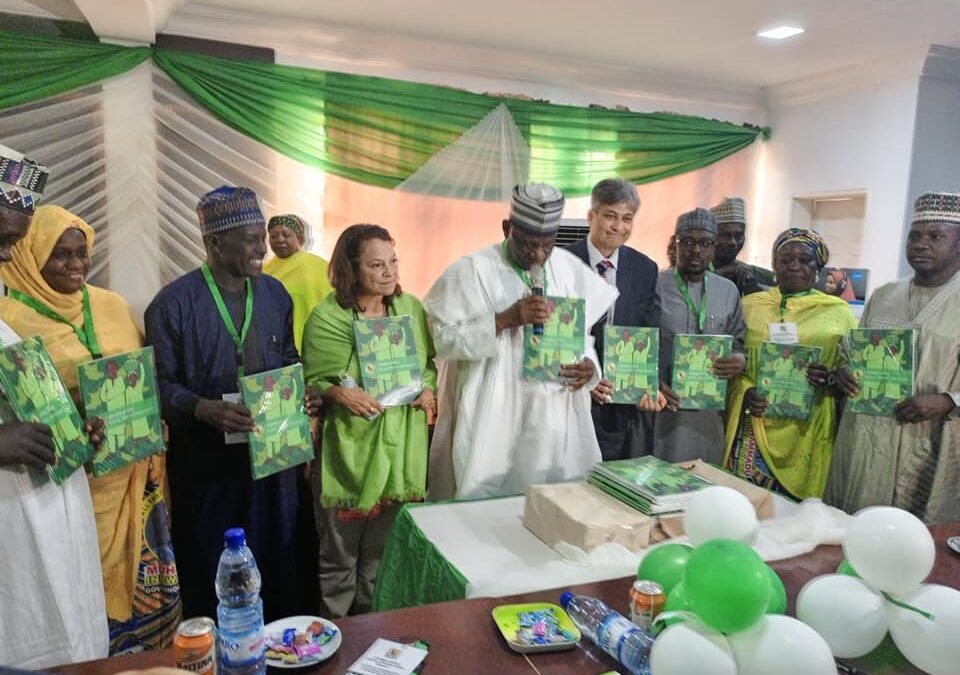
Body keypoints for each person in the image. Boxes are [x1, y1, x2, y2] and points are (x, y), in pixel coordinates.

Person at [0, 205, 181, 653]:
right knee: (71, 595)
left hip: (130, 476)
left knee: (132, 593)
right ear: (30, 255)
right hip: (58, 487)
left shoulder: (111, 305)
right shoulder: (11, 319)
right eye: (61, 254)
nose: (77, 264)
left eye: (83, 253)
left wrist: (143, 415)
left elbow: (140, 373)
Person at [145, 186, 304, 621]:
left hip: (273, 464)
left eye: (263, 237)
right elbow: (158, 384)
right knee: (213, 569)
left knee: (277, 560)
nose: (263, 248)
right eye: (251, 239)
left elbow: (289, 357)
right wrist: (202, 408)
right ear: (214, 243)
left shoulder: (275, 295)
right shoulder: (172, 305)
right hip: (207, 470)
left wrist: (296, 390)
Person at [424, 183, 618, 500]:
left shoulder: (568, 269)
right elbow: (441, 340)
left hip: (553, 414)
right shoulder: (470, 270)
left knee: (554, 504)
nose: (537, 254)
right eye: (527, 244)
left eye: (547, 245)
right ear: (506, 228)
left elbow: (582, 338)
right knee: (485, 501)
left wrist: (588, 367)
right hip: (494, 412)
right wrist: (505, 319)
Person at [0, 147, 110, 669]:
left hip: (49, 511)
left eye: (14, 242)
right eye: (2, 239)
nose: (6, 256)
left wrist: (69, 432)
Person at [302, 223, 437, 618]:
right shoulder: (328, 317)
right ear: (351, 270)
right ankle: (335, 641)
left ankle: (371, 637)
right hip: (351, 451)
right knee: (340, 558)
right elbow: (315, 381)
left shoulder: (409, 307)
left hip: (400, 450)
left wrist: (428, 388)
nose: (389, 272)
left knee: (380, 558)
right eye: (376, 265)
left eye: (393, 262)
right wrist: (338, 392)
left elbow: (426, 365)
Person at [825, 191, 960, 524]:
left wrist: (948, 400)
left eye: (935, 236)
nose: (921, 244)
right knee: (855, 527)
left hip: (932, 439)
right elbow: (850, 353)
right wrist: (843, 372)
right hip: (869, 438)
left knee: (915, 540)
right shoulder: (885, 295)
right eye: (914, 236)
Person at [724, 228, 857, 499]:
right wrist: (745, 391)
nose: (794, 266)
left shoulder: (838, 312)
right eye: (786, 259)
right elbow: (734, 360)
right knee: (746, 508)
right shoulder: (750, 305)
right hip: (755, 425)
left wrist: (831, 377)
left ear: (818, 268)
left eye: (805, 260)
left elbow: (852, 370)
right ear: (774, 264)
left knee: (797, 519)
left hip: (810, 428)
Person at [566, 178, 661, 460]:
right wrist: (588, 378)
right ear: (591, 216)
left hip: (619, 404)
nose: (618, 227)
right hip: (570, 396)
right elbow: (553, 331)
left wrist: (646, 385)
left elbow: (648, 329)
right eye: (610, 216)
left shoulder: (645, 268)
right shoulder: (562, 261)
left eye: (627, 219)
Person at [654, 208, 746, 464]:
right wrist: (652, 382)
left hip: (707, 413)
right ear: (675, 243)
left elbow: (739, 341)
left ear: (715, 246)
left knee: (702, 482)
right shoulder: (655, 284)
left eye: (705, 243)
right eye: (688, 242)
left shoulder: (728, 291)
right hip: (663, 408)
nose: (696, 250)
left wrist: (739, 360)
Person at [263, 214, 332, 351]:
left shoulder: (319, 266)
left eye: (286, 234)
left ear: (299, 238)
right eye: (274, 236)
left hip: (316, 342)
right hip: (279, 345)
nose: (279, 240)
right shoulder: (264, 270)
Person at [710, 197, 775, 296]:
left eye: (739, 236)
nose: (733, 242)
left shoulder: (751, 273)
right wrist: (720, 275)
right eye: (725, 235)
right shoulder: (695, 270)